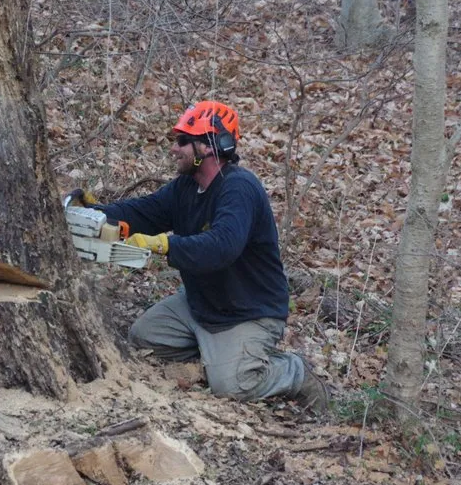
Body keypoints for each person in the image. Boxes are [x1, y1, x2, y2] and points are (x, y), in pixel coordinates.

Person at [69, 100, 329, 414]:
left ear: (208, 146)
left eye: (182, 141)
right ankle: (214, 351)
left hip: (247, 312)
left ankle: (295, 371)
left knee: (232, 386)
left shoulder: (240, 189)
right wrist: (94, 213)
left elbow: (221, 247)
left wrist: (165, 245)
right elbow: (141, 213)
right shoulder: (184, 189)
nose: (174, 148)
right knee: (144, 337)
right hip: (201, 303)